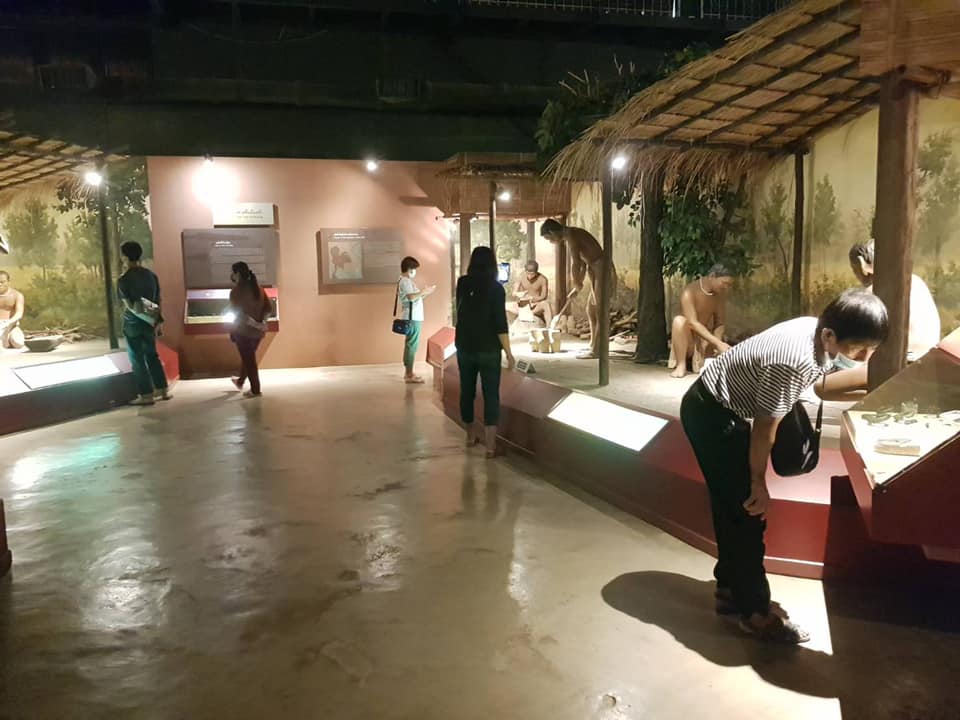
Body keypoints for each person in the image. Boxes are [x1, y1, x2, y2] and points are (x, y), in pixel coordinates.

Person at [680, 289, 889, 644]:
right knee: (748, 512)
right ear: (830, 335)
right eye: (858, 349)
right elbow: (765, 427)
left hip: (720, 409)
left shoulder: (814, 329)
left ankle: (730, 589)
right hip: (712, 415)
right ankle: (755, 613)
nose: (863, 357)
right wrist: (758, 482)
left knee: (732, 507)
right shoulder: (793, 362)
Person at [456, 246, 515, 458]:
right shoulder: (496, 289)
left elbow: (461, 312)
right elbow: (500, 322)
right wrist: (508, 352)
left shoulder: (462, 283)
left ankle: (470, 436)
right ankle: (490, 446)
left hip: (465, 345)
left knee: (467, 391)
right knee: (491, 395)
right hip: (489, 348)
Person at [849, 240, 940, 361]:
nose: (856, 275)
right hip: (928, 356)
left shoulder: (872, 293)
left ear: (862, 265)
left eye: (854, 269)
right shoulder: (915, 280)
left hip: (903, 361)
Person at [540, 218, 615, 359]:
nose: (551, 242)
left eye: (549, 239)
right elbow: (583, 264)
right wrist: (577, 286)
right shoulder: (570, 236)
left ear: (552, 232)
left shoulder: (572, 236)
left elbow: (575, 263)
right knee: (591, 310)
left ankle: (597, 350)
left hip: (602, 268)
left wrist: (576, 282)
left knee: (600, 312)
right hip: (594, 270)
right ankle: (593, 344)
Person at [118, 241, 171, 406]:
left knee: (137, 358)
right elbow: (158, 300)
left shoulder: (124, 279)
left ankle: (146, 394)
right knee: (152, 355)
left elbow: (129, 305)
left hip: (132, 323)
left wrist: (140, 313)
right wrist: (156, 320)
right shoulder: (151, 276)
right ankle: (162, 389)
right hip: (150, 322)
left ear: (124, 257)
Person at [668, 264, 735, 378]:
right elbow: (692, 323)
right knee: (679, 321)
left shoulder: (719, 295)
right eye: (724, 283)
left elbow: (720, 323)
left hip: (704, 341)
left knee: (720, 343)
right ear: (712, 276)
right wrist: (717, 343)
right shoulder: (689, 291)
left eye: (728, 285)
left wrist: (717, 342)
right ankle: (681, 364)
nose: (726, 287)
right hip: (687, 340)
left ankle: (707, 361)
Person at [229, 261, 273, 398]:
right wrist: (262, 323)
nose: (231, 275)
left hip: (243, 332)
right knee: (248, 357)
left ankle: (255, 390)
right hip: (258, 333)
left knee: (249, 361)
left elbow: (239, 315)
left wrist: (254, 324)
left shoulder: (235, 292)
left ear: (237, 274)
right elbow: (268, 308)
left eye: (233, 272)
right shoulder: (258, 288)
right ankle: (240, 381)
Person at [397, 256, 436, 384]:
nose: (415, 272)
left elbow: (414, 298)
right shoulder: (405, 282)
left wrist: (425, 293)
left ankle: (408, 372)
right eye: (414, 269)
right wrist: (423, 292)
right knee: (412, 345)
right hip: (412, 317)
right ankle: (409, 374)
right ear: (409, 269)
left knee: (410, 344)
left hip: (413, 316)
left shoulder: (406, 281)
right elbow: (411, 297)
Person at [512, 260, 552, 326]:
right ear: (525, 271)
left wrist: (532, 299)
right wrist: (518, 294)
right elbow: (513, 293)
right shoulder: (521, 276)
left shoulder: (543, 279)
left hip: (535, 306)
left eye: (532, 274)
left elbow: (544, 296)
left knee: (546, 304)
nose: (530, 276)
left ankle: (549, 327)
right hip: (523, 305)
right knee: (506, 306)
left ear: (536, 272)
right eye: (528, 273)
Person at [0, 271, 25, 349]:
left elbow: (19, 313)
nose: (0, 284)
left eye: (2, 282)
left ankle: (8, 340)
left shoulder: (17, 295)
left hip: (11, 326)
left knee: (18, 343)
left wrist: (8, 323)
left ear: (8, 282)